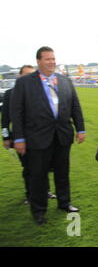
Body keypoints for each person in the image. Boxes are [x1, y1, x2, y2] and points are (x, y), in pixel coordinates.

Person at [10, 46, 86, 225]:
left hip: (62, 136)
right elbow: (16, 112)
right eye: (47, 59)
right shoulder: (24, 83)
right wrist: (18, 138)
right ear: (38, 61)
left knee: (62, 172)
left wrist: (80, 129)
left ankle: (64, 203)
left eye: (53, 58)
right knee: (38, 175)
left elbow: (75, 106)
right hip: (37, 137)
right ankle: (39, 211)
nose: (52, 62)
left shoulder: (65, 80)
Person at [2, 65, 56, 204]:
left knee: (43, 166)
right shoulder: (10, 94)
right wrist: (6, 137)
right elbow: (5, 119)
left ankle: (46, 191)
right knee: (28, 168)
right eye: (25, 75)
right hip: (21, 138)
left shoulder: (41, 92)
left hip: (40, 137)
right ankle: (30, 195)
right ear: (20, 77)